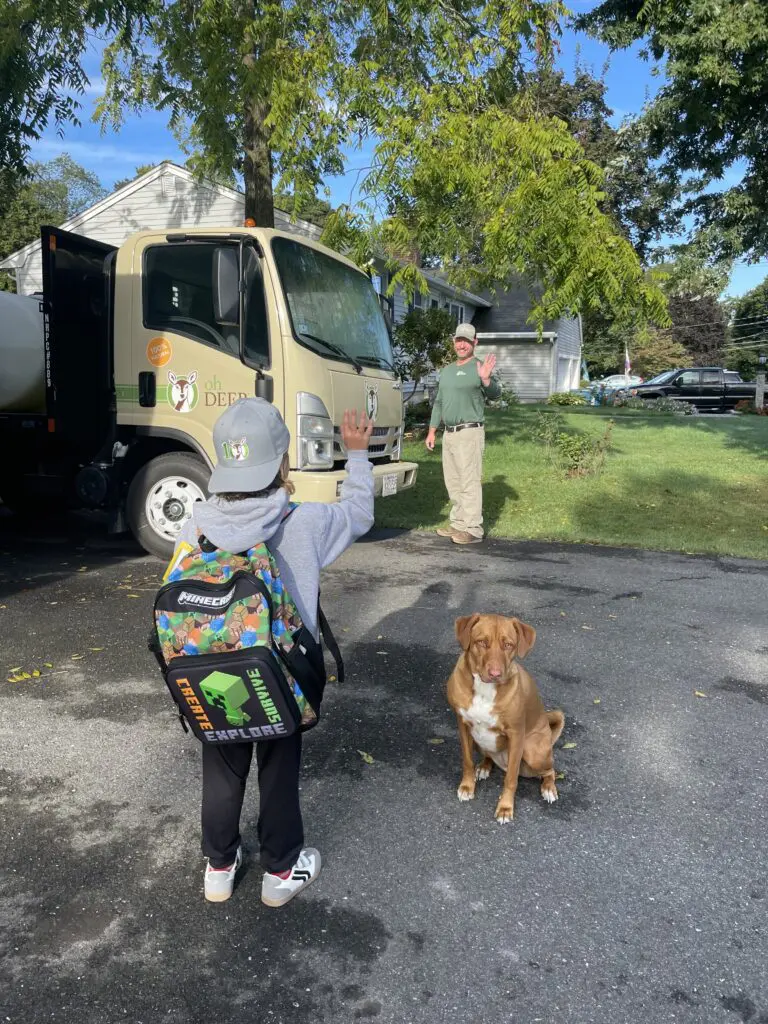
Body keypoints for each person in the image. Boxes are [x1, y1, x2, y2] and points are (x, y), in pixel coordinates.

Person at [172, 397, 374, 905]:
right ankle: (281, 872)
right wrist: (356, 454)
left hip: (210, 670)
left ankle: (219, 867)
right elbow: (359, 514)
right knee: (279, 765)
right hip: (283, 673)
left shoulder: (195, 523)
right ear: (282, 462)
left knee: (222, 763)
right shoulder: (304, 522)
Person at [425, 323, 500, 544]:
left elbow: (495, 395)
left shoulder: (479, 367)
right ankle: (458, 524)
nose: (462, 345)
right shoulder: (447, 371)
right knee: (453, 481)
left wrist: (486, 379)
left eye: (466, 341)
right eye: (459, 340)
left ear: (474, 343)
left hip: (469, 432)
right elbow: (439, 403)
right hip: (449, 434)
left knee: (469, 481)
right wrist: (432, 431)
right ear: (454, 342)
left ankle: (473, 529)